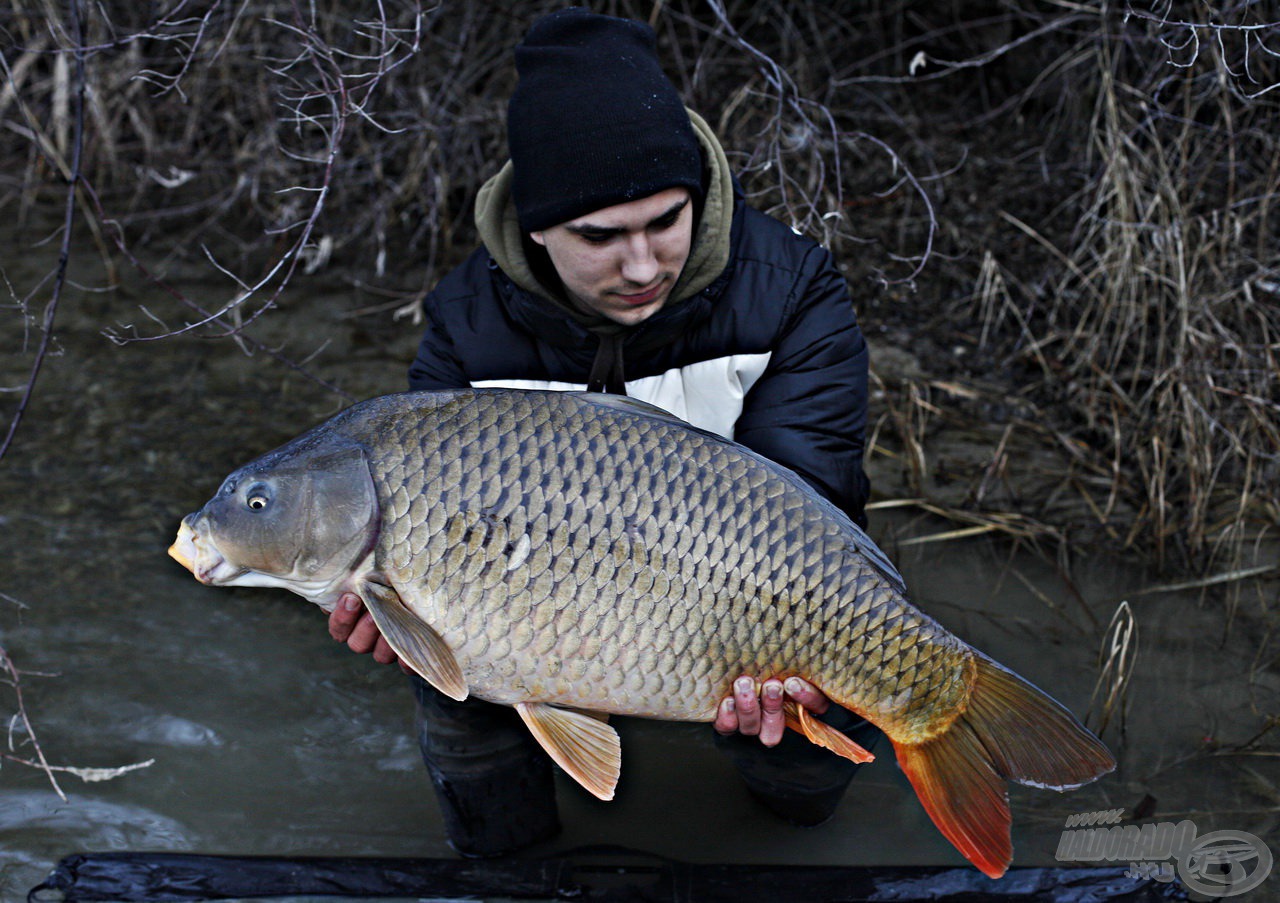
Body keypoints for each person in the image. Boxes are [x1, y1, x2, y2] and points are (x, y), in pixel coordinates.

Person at [329, 7, 880, 857]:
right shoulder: (467, 326)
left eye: (666, 219)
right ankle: (507, 858)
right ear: (537, 226)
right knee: (456, 688)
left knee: (810, 748)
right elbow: (424, 518)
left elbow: (810, 507)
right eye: (600, 236)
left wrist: (747, 656)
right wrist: (403, 617)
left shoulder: (791, 291)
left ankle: (792, 820)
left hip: (737, 593)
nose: (642, 266)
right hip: (527, 599)